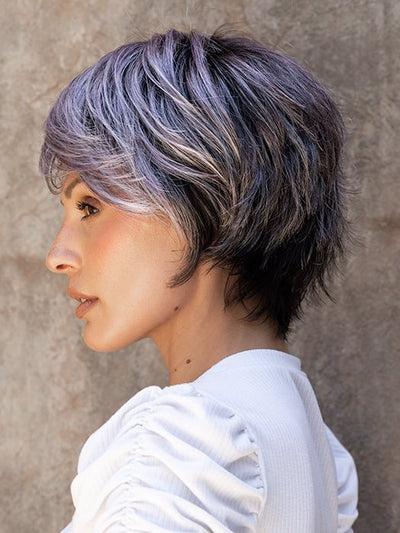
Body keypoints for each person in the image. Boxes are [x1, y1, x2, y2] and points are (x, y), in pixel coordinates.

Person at [40, 28, 358, 532]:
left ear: (206, 204)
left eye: (90, 206)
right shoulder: (307, 445)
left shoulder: (177, 454)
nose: (57, 257)